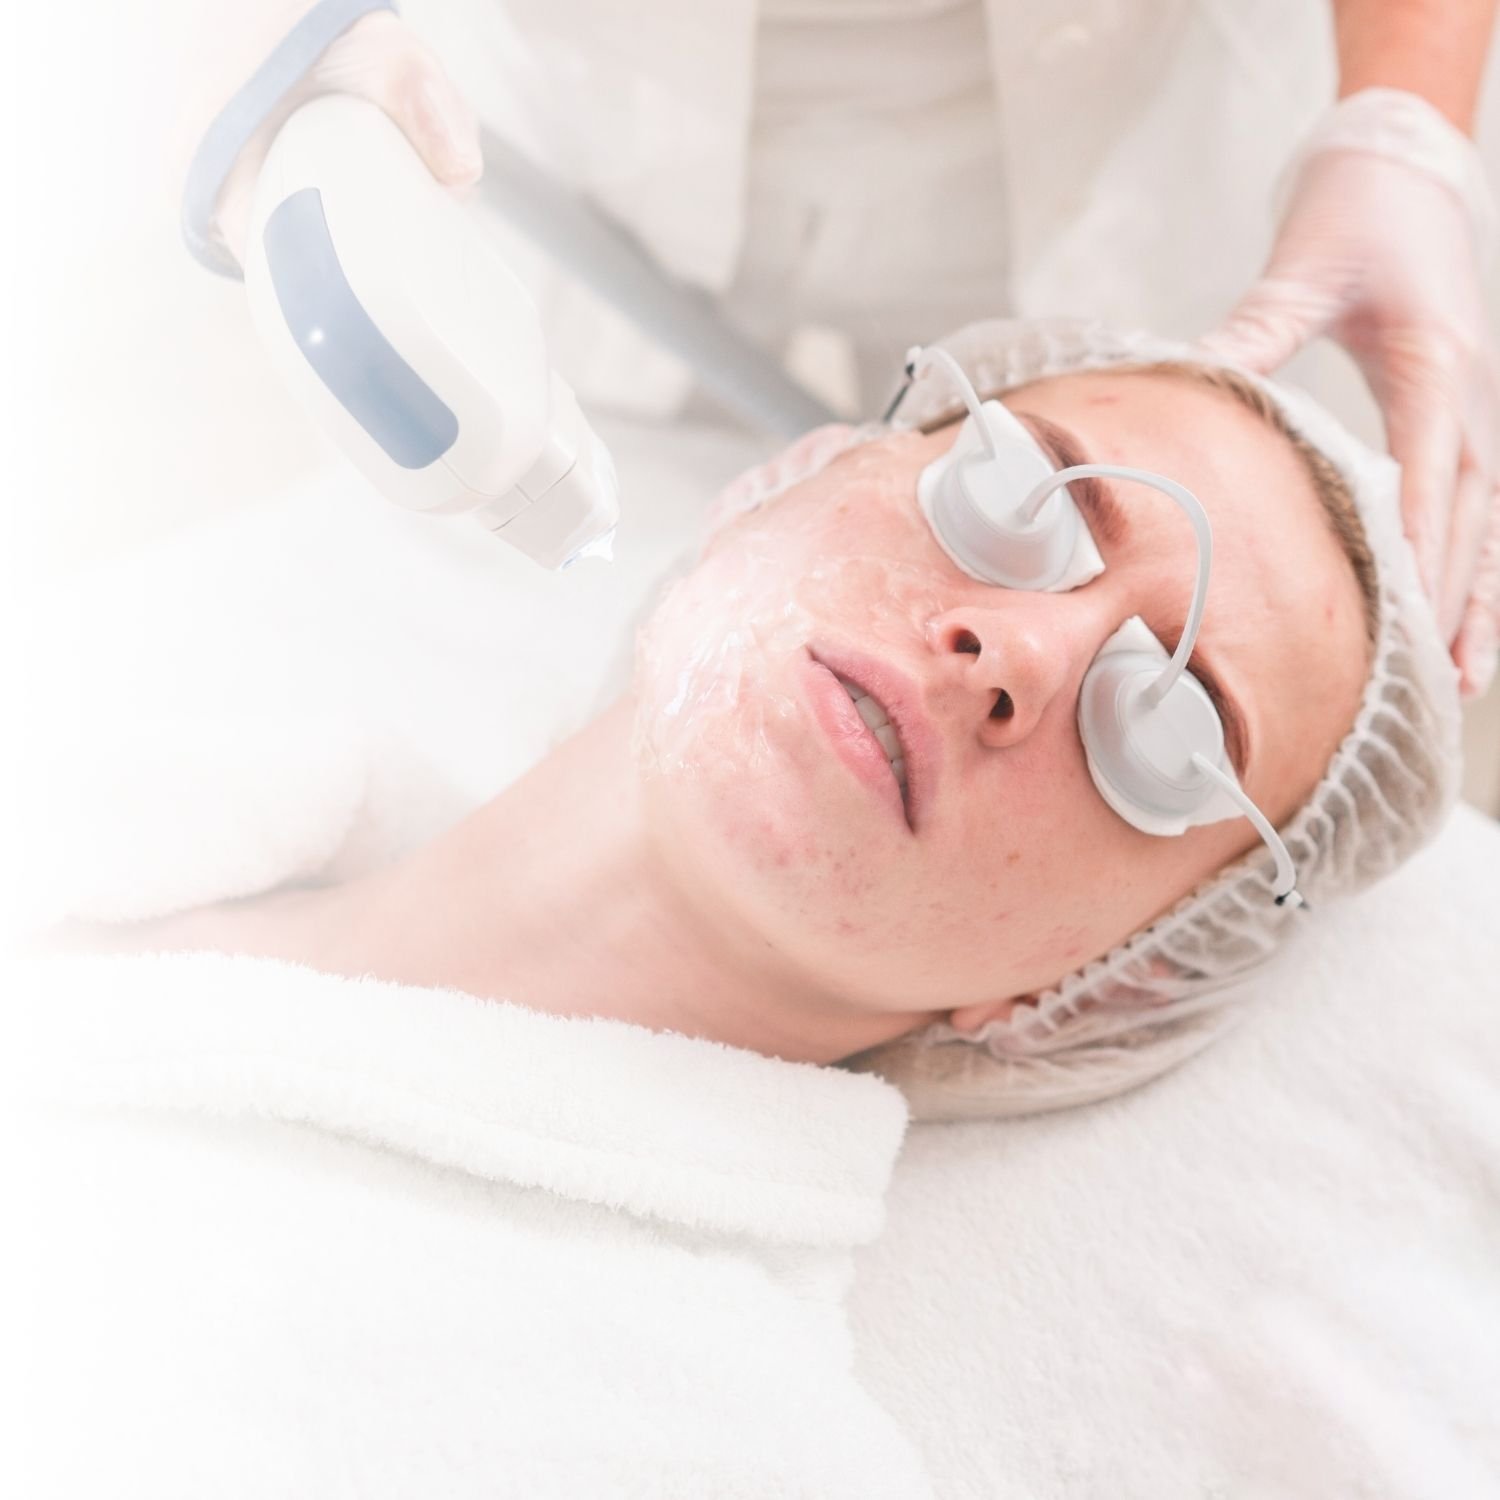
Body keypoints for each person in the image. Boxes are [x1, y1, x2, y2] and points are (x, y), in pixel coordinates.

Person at [84, 323, 1458, 1107]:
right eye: (1021, 495)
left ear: (1101, 980)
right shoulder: (120, 736)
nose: (1021, 651)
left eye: (1167, 729)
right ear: (794, 476)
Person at [183, 0, 1500, 702]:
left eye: (1163, 723)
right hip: (581, 135)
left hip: (1119, 129)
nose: (1002, 655)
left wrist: (1403, 115)